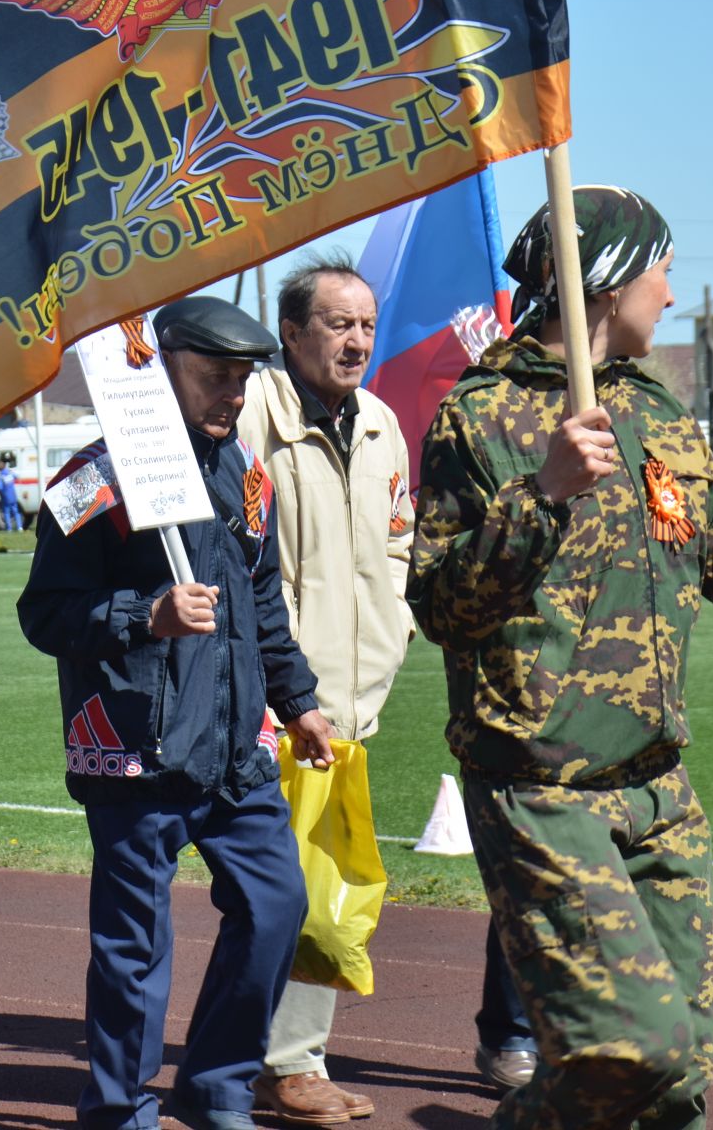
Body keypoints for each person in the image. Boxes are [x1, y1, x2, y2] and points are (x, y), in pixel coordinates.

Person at [408, 187, 713, 1129]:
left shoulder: (654, 412)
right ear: (606, 281)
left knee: (679, 1086)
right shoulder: (481, 417)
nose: (670, 292)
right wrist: (542, 493)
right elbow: (441, 604)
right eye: (660, 268)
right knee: (629, 1054)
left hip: (659, 788)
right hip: (545, 789)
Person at [18, 295, 336, 1130]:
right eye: (215, 377)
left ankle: (217, 1087)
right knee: (134, 953)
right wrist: (142, 615)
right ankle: (120, 1111)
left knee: (275, 907)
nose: (232, 395)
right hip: (136, 749)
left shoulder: (250, 476)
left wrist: (296, 702)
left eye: (242, 379)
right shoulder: (92, 477)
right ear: (164, 369)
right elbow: (43, 613)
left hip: (237, 750)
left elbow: (263, 606)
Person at [236, 251, 497, 1121]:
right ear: (291, 332)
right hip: (268, 701)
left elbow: (396, 542)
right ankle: (277, 1064)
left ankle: (280, 1062)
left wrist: (393, 626)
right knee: (284, 892)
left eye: (365, 326)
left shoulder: (382, 422)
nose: (355, 341)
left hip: (349, 702)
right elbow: (238, 559)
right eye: (337, 324)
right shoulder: (249, 416)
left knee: (321, 884)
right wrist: (278, 675)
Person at [0, 452, 23, 531]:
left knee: (6, 513)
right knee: (16, 512)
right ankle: (19, 527)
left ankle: (9, 528)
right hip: (13, 496)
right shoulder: (10, 473)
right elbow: (17, 477)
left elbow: (0, 488)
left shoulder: (1, 476)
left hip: (5, 498)